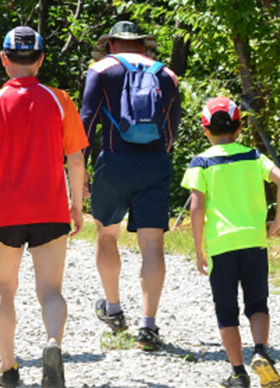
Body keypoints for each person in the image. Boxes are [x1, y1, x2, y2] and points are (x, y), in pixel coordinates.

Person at [0, 26, 88, 388]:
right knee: (51, 290)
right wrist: (76, 206)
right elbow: (76, 159)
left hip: (7, 210)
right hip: (51, 209)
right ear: (41, 60)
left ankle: (8, 367)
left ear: (3, 60)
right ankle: (53, 344)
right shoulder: (60, 99)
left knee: (3, 287)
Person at [79, 20, 181, 350]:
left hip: (114, 160)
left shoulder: (101, 69)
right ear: (142, 44)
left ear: (110, 44)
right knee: (153, 245)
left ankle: (114, 310)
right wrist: (157, 159)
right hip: (154, 163)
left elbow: (88, 121)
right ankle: (148, 327)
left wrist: (80, 168)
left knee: (107, 235)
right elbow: (172, 130)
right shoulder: (167, 75)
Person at [183, 97, 280, 388]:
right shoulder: (254, 157)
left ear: (205, 130)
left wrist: (198, 249)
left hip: (221, 246)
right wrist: (277, 221)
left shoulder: (202, 163)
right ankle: (260, 352)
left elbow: (196, 208)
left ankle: (238, 374)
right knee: (257, 302)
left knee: (226, 310)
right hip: (254, 241)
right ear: (239, 127)